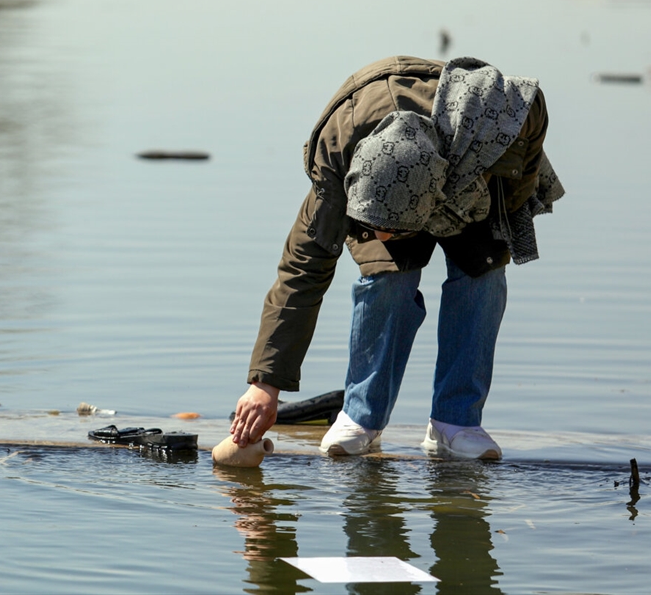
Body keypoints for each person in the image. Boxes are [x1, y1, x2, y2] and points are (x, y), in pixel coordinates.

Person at [229, 56, 564, 460]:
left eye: (395, 229)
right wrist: (265, 384)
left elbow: (533, 107)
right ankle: (361, 419)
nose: (385, 236)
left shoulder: (495, 118)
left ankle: (455, 423)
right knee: (388, 274)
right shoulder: (337, 159)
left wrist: (505, 207)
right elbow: (302, 269)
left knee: (482, 273)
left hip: (473, 166)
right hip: (384, 171)